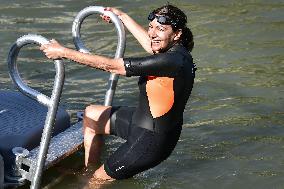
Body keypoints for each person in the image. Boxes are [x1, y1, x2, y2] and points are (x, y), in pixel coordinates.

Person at [40, 4, 196, 181]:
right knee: (91, 116)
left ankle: (95, 178)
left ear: (177, 34)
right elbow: (149, 43)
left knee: (96, 182)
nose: (152, 33)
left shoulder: (172, 61)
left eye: (160, 29)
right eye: (151, 27)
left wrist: (63, 52)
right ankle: (90, 169)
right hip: (141, 122)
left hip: (150, 142)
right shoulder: (173, 51)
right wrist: (122, 15)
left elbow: (111, 66)